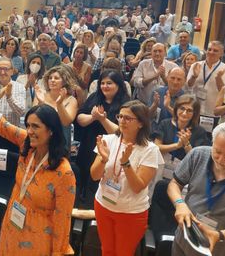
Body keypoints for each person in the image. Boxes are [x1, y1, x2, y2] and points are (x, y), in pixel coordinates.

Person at [0, 73, 76, 255]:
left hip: (39, 238)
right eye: (28, 126)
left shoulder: (64, 172)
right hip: (12, 224)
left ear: (52, 131)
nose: (29, 131)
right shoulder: (27, 145)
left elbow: (63, 220)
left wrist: (58, 252)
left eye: (36, 127)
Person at [91, 100, 163, 255]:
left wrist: (126, 163)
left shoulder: (150, 150)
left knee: (123, 253)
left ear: (141, 123)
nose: (122, 121)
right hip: (103, 205)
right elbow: (94, 176)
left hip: (131, 213)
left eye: (128, 118)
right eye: (120, 116)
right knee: (107, 250)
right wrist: (103, 159)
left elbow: (138, 187)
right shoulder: (108, 140)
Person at [167, 121, 225, 255]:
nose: (221, 160)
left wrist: (219, 235)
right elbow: (174, 184)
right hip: (184, 244)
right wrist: (180, 203)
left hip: (223, 251)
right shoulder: (198, 155)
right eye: (217, 151)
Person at [76, 70, 130, 206]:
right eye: (102, 83)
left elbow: (122, 131)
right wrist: (93, 117)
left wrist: (102, 120)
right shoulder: (94, 97)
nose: (105, 86)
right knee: (84, 178)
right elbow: (80, 118)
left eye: (109, 83)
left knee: (101, 183)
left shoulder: (127, 104)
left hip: (111, 151)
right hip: (88, 146)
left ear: (118, 85)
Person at [153, 95, 210, 180]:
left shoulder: (199, 131)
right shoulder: (165, 123)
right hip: (161, 167)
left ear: (194, 113)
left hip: (183, 172)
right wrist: (177, 145)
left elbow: (196, 158)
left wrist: (186, 144)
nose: (184, 113)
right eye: (182, 108)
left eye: (189, 111)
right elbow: (156, 147)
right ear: (176, 108)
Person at [187, 41, 225, 118]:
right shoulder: (196, 65)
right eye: (209, 49)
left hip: (213, 113)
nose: (211, 52)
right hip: (194, 111)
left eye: (215, 50)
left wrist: (219, 79)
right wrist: (194, 77)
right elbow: (189, 85)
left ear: (222, 54)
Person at [34, 66, 78, 148]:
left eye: (56, 78)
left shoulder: (71, 100)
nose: (52, 80)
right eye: (50, 78)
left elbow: (66, 122)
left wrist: (59, 104)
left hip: (61, 141)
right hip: (41, 139)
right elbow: (34, 118)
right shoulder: (40, 95)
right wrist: (41, 102)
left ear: (64, 81)